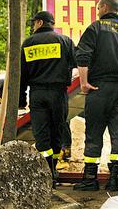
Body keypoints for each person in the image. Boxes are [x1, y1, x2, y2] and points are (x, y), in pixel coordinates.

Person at [74, 0, 118, 192]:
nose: (97, 11)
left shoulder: (96, 27)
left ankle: (90, 179)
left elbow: (83, 55)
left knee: (94, 134)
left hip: (99, 88)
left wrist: (84, 83)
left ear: (104, 7)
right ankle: (115, 180)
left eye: (98, 8)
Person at [19, 10, 76, 187]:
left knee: (41, 134)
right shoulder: (65, 41)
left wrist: (21, 100)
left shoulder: (28, 43)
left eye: (34, 22)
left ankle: (47, 172)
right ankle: (54, 170)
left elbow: (21, 74)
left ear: (41, 22)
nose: (33, 25)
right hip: (58, 93)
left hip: (36, 94)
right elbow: (77, 63)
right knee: (57, 131)